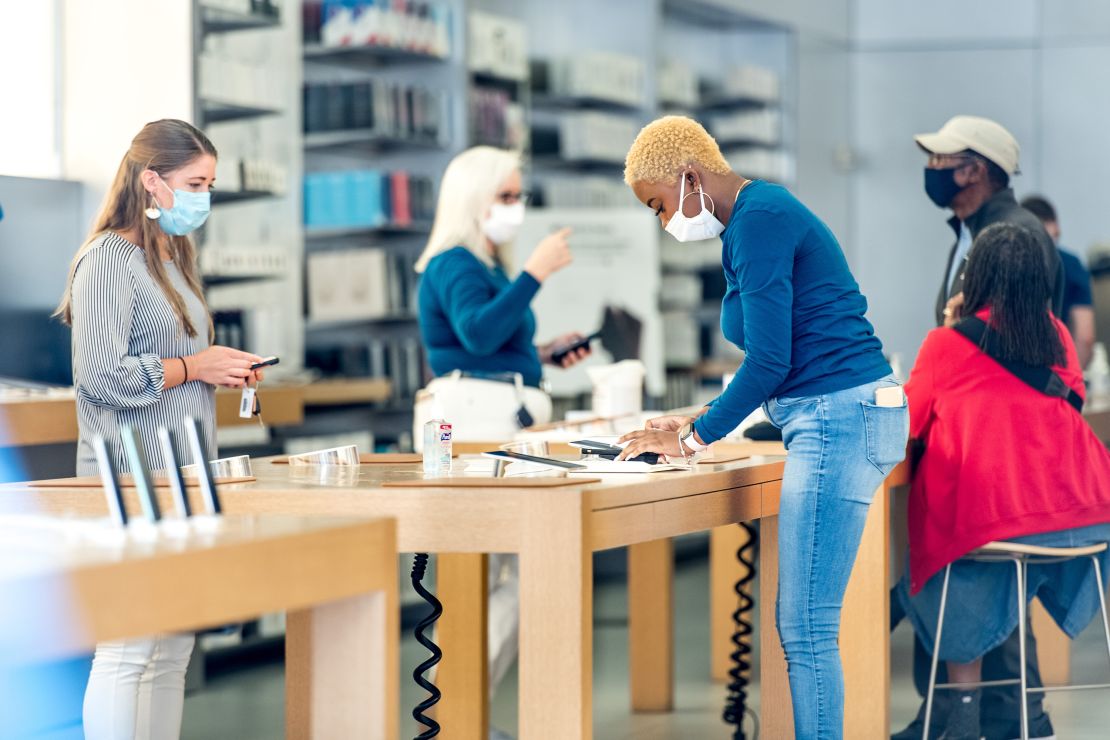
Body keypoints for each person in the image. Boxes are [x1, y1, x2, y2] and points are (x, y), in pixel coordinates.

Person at [618, 115, 908, 739]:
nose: (662, 220)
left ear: (689, 176)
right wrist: (696, 419)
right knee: (804, 623)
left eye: (657, 203)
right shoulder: (748, 223)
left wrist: (694, 438)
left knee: (805, 626)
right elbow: (774, 353)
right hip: (831, 414)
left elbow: (771, 359)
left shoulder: (760, 220)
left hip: (838, 419)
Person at [55, 119, 264, 739]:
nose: (205, 195)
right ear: (153, 181)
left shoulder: (171, 258)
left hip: (184, 473)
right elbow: (98, 375)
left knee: (171, 647)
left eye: (211, 183)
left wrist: (217, 369)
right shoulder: (107, 259)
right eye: (195, 182)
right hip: (128, 477)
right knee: (127, 646)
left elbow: (176, 363)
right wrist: (192, 365)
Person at [898, 223, 1110, 740]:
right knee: (994, 559)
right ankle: (1024, 717)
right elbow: (1075, 402)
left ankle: (964, 712)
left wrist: (952, 324)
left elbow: (909, 419)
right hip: (1084, 512)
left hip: (995, 519)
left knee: (960, 562)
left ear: (976, 278)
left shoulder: (945, 343)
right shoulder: (1057, 335)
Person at [413, 145, 591, 739]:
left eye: (520, 197)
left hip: (491, 413)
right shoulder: (455, 262)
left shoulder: (484, 265)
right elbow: (478, 332)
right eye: (506, 197)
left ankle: (463, 711)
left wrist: (541, 354)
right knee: (484, 574)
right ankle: (457, 712)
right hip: (469, 424)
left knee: (512, 571)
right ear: (474, 200)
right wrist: (534, 273)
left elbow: (486, 344)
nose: (516, 208)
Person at [903, 115, 1065, 740]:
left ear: (975, 169)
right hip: (986, 456)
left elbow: (1015, 351)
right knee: (982, 579)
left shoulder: (1011, 239)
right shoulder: (975, 232)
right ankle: (977, 713)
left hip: (988, 461)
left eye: (944, 161)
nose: (935, 172)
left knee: (972, 572)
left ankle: (998, 716)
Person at [1022, 195, 1096, 369]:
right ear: (1055, 227)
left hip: (1015, 373)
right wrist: (1072, 381)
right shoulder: (1070, 265)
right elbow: (1085, 336)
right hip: (1057, 368)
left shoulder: (1005, 266)